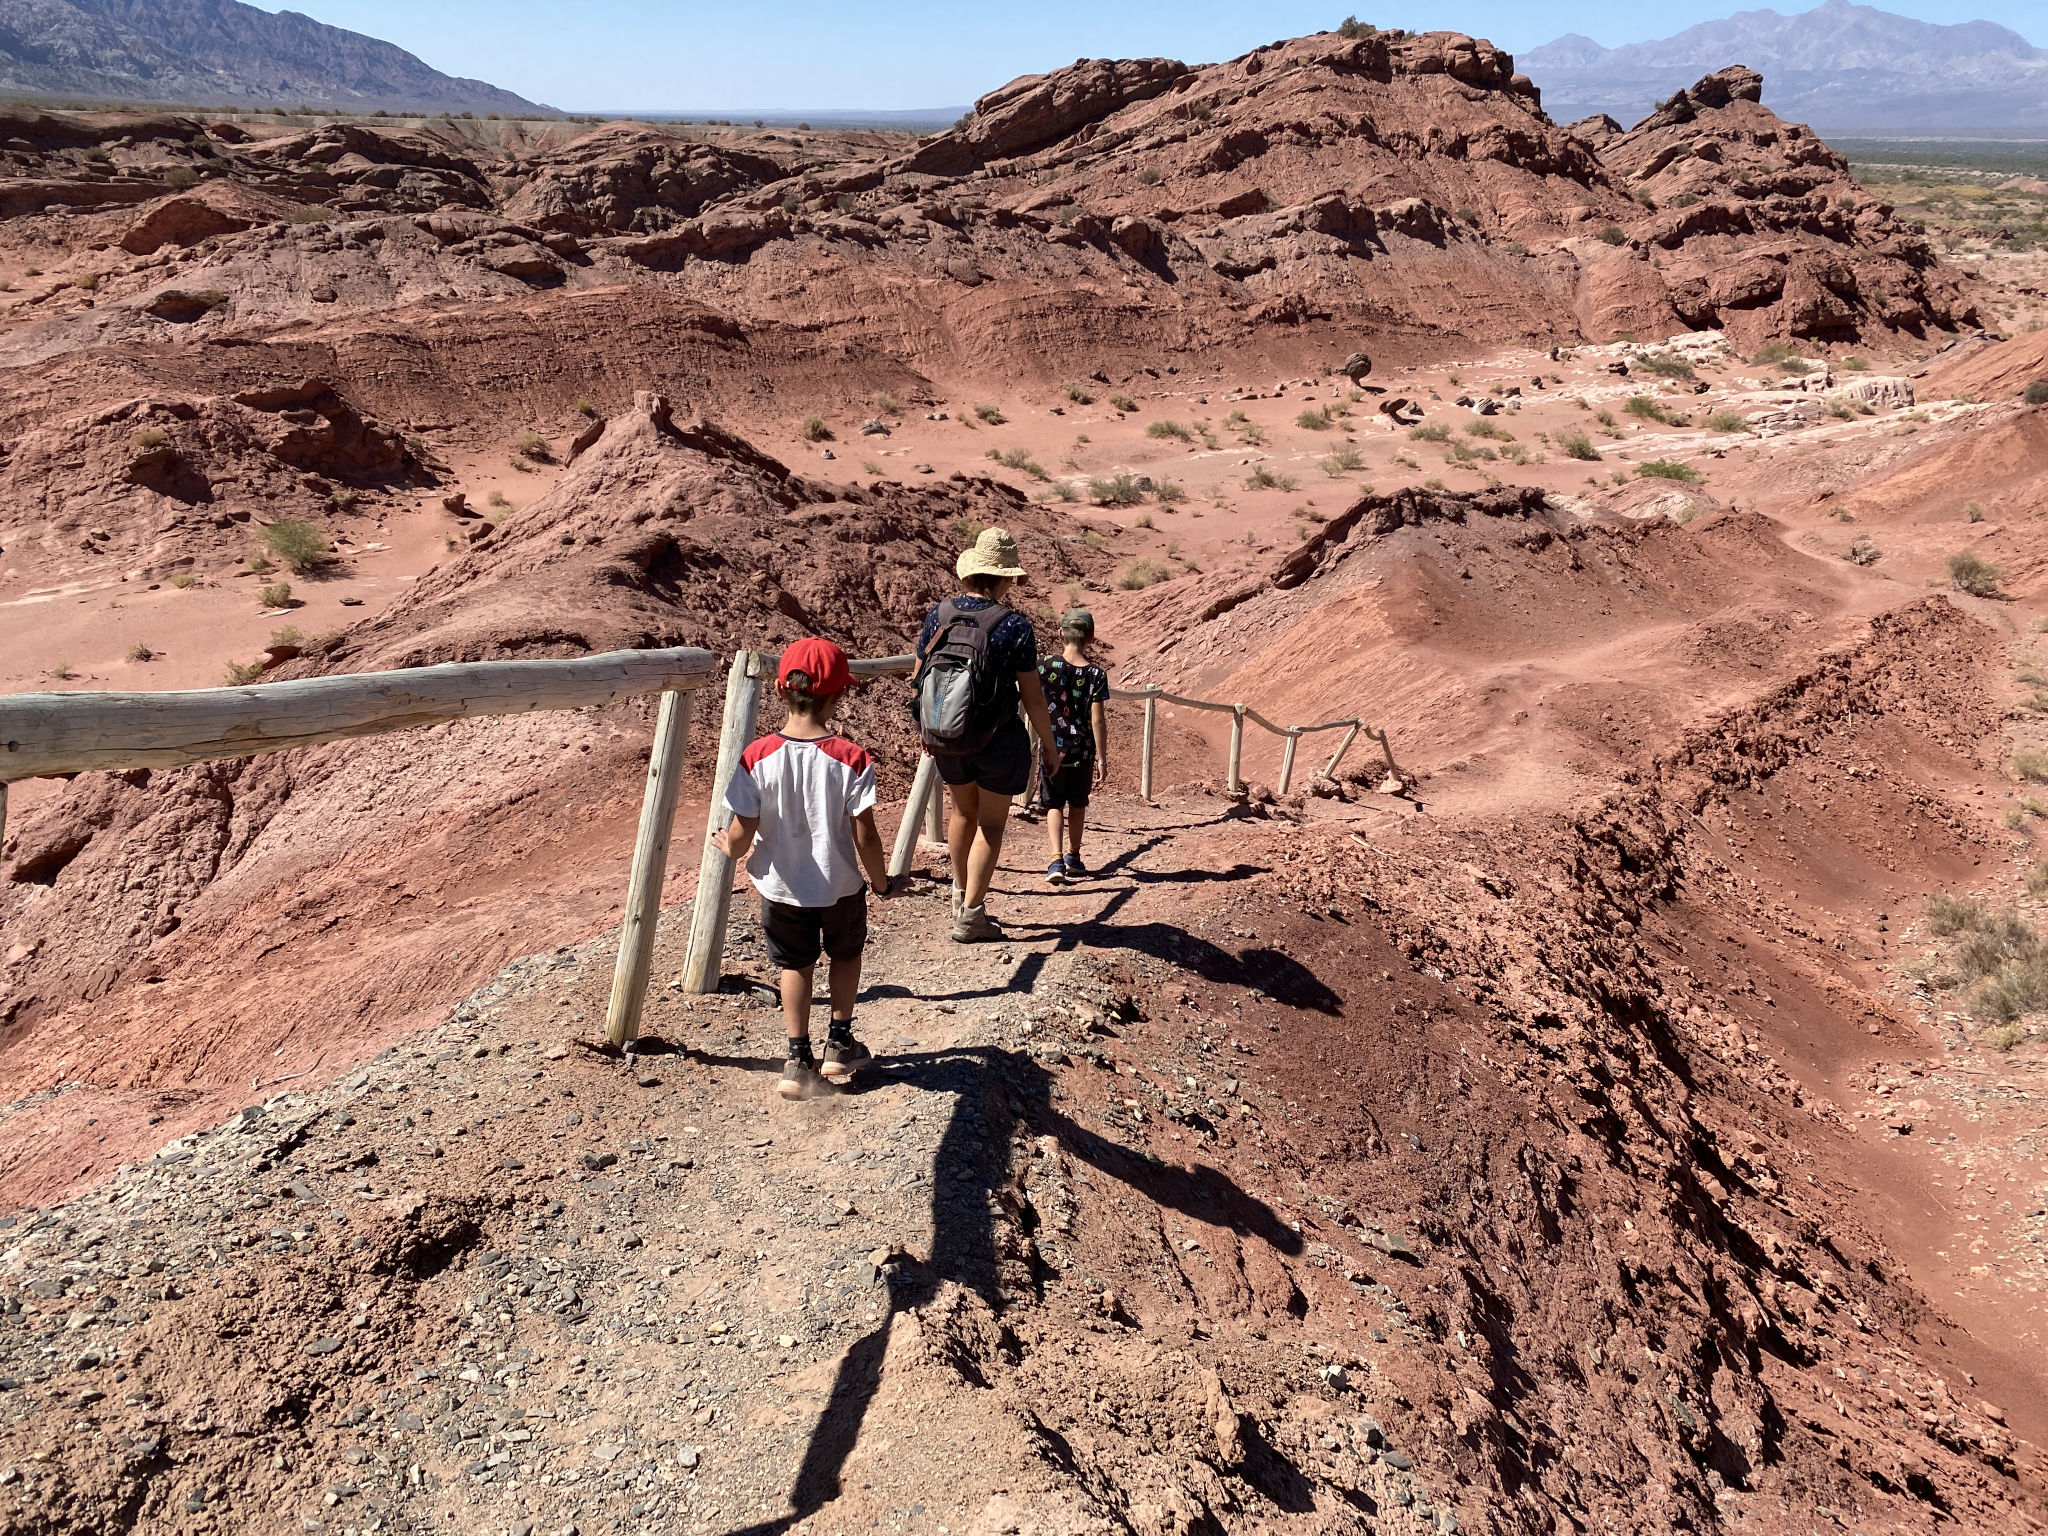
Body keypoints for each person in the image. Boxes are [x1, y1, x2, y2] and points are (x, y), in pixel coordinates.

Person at [713, 638, 896, 1100]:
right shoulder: (854, 758)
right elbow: (866, 835)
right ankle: (840, 1041)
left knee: (793, 965)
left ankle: (797, 1059)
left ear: (780, 692)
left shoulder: (755, 756)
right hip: (839, 885)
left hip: (780, 886)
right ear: (839, 696)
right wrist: (880, 880)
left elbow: (740, 832)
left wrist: (727, 846)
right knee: (846, 955)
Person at [914, 527, 1061, 942]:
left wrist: (926, 727)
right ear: (1006, 578)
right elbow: (1032, 697)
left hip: (948, 735)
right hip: (997, 739)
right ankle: (972, 915)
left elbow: (919, 676)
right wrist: (1049, 747)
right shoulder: (1013, 625)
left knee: (962, 813)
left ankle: (960, 897)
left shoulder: (938, 615)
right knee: (992, 824)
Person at [1037, 608, 1110, 883]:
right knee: (1078, 804)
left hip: (1052, 748)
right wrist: (1102, 759)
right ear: (1090, 637)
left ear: (1060, 634)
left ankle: (1055, 861)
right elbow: (1098, 720)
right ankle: (1074, 856)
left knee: (1053, 804)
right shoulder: (1096, 674)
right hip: (1083, 752)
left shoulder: (1044, 666)